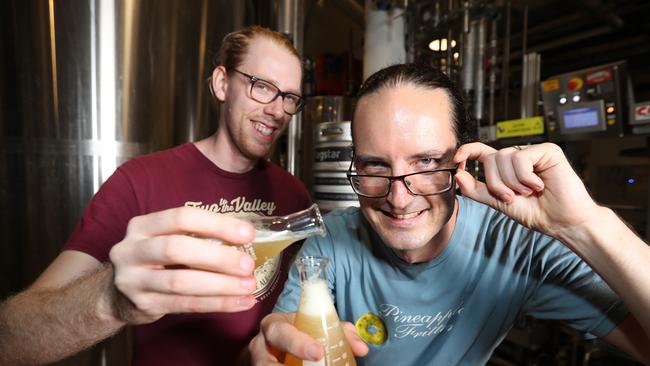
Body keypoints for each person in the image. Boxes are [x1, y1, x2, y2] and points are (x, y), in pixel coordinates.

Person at [248, 63, 650, 365]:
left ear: (463, 161)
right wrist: (270, 351)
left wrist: (583, 226)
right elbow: (285, 340)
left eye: (425, 162)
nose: (400, 199)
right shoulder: (332, 239)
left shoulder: (516, 245)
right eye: (375, 167)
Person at [0, 25, 312, 365]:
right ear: (222, 83)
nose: (278, 110)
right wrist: (111, 298)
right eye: (262, 87)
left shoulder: (295, 197)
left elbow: (299, 310)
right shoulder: (140, 181)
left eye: (290, 97)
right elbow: (12, 341)